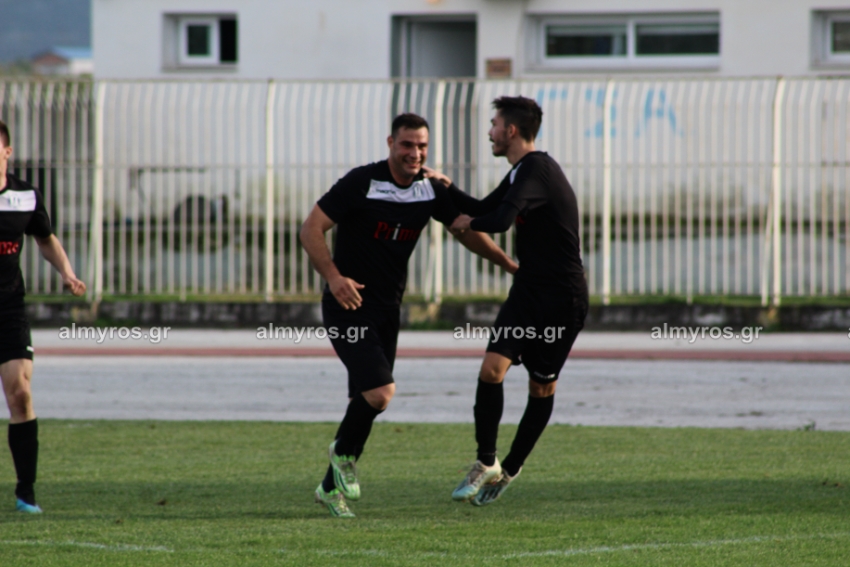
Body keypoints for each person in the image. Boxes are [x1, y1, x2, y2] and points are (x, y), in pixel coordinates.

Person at [299, 113, 517, 518]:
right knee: (381, 392)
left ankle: (329, 488)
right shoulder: (362, 181)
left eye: (422, 146)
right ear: (390, 143)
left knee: (366, 401)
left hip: (387, 310)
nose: (415, 153)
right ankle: (342, 454)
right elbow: (310, 228)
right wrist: (333, 277)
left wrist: (509, 265)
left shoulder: (429, 189)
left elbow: (464, 230)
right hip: (347, 305)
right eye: (407, 144)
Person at [439, 96, 588, 506]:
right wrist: (445, 188)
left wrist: (469, 222)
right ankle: (486, 461)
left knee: (541, 387)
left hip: (561, 298)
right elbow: (485, 206)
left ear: (511, 130)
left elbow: (498, 221)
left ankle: (511, 468)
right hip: (528, 290)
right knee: (492, 370)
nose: (489, 132)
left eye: (493, 124)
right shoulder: (522, 170)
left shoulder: (538, 168)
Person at [0, 119, 86, 513]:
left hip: (9, 309)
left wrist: (67, 273)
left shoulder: (25, 197)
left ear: (7, 152)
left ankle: (26, 493)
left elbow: (45, 238)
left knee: (20, 394)